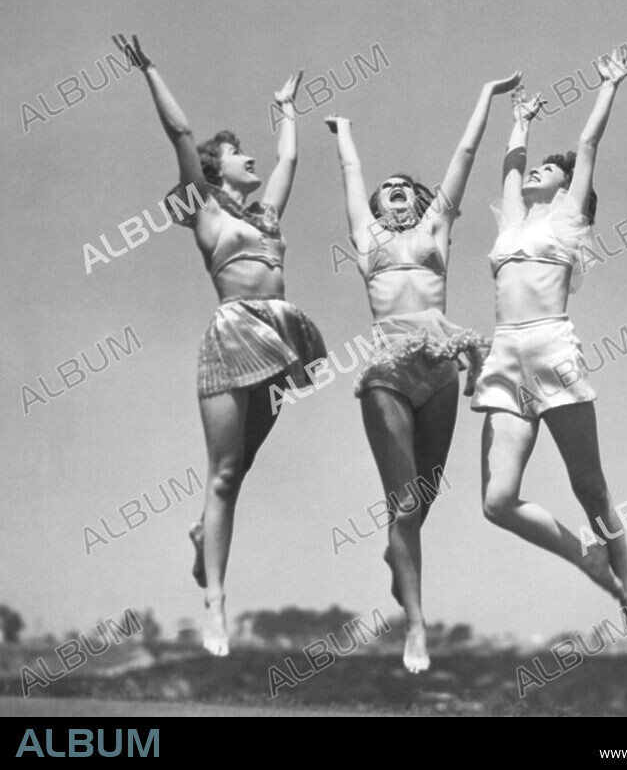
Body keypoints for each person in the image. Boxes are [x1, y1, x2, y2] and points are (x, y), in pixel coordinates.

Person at [115, 34, 326, 657]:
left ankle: (199, 531)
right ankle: (215, 606)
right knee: (226, 473)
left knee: (246, 462)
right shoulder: (207, 213)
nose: (251, 159)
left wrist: (287, 107)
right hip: (233, 334)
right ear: (216, 170)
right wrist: (150, 69)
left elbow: (289, 163)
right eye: (239, 154)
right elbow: (181, 133)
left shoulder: (266, 217)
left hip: (283, 338)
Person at [324, 72, 520, 672]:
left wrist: (485, 94)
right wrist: (346, 134)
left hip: (440, 366)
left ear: (422, 199)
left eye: (405, 186)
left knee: (425, 494)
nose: (394, 191)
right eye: (387, 190)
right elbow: (351, 178)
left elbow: (464, 154)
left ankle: (396, 556)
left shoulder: (438, 230)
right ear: (378, 207)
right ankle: (415, 623)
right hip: (386, 370)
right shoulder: (367, 237)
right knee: (406, 502)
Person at [471, 45, 627, 655]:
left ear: (570, 187)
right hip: (504, 358)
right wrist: (519, 120)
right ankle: (595, 570)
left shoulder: (569, 219)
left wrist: (608, 87)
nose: (536, 173)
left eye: (550, 169)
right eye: (538, 169)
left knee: (591, 488)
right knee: (497, 502)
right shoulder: (513, 221)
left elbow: (590, 147)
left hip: (551, 346)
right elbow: (507, 168)